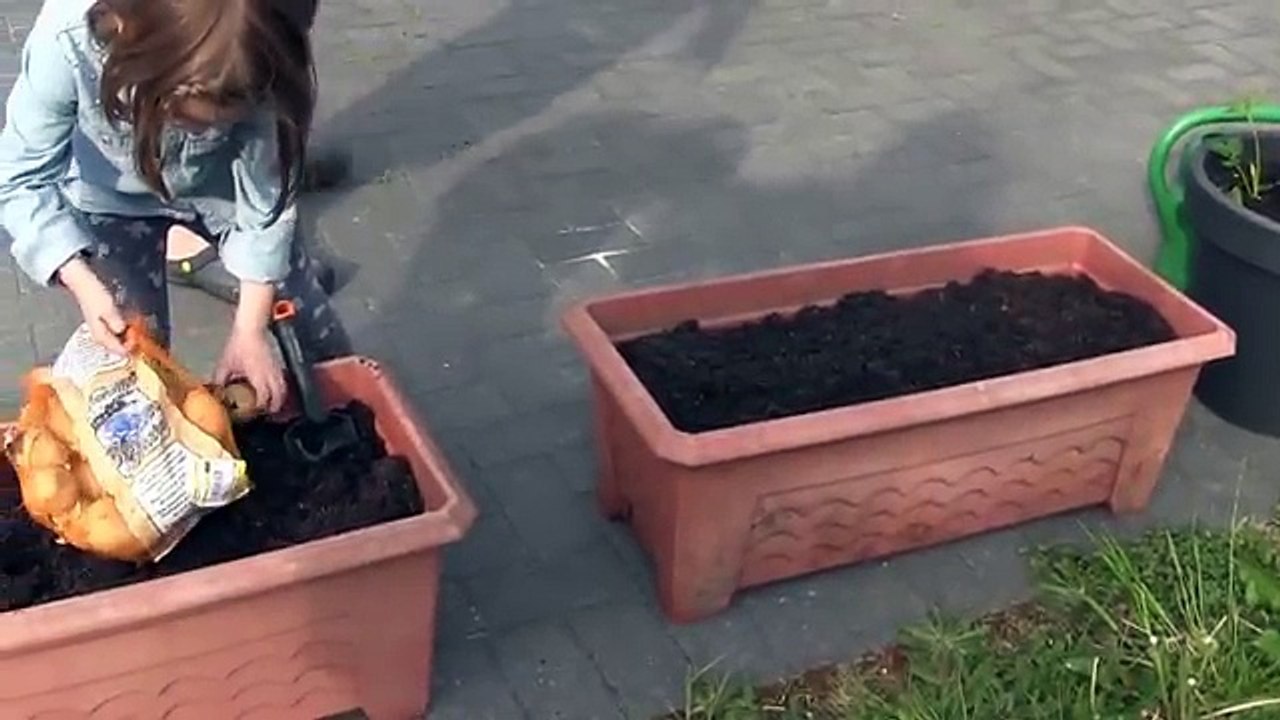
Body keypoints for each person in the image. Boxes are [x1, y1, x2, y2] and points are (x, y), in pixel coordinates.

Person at [0, 0, 349, 413]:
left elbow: (266, 204)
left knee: (306, 320)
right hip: (111, 199)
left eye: (222, 123)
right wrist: (81, 280)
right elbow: (19, 177)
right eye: (182, 116)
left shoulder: (259, 56)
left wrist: (249, 330)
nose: (202, 131)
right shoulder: (67, 37)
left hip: (223, 196)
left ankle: (345, 412)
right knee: (133, 348)